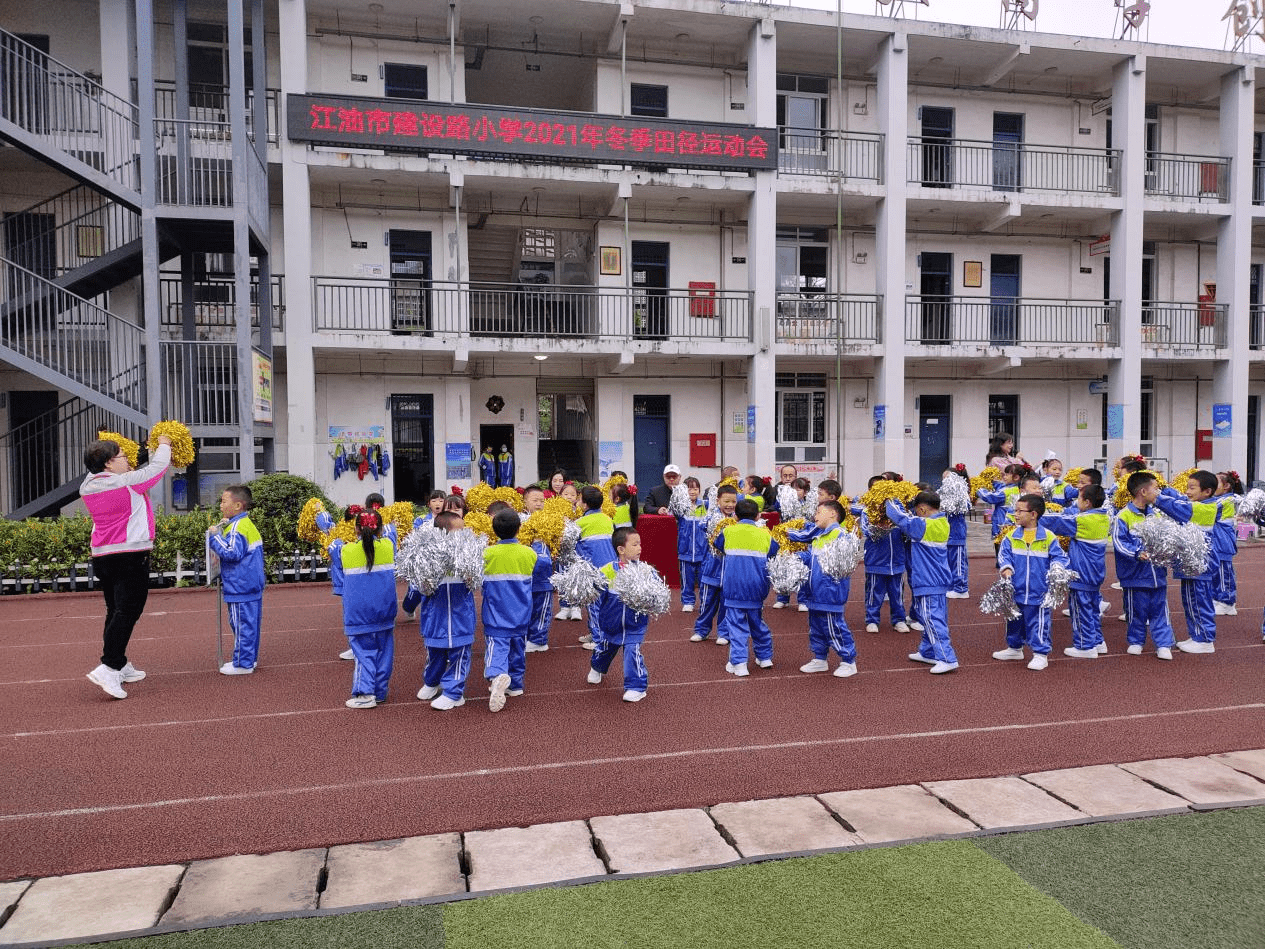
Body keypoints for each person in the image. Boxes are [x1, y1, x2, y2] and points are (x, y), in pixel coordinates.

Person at [80, 434, 174, 699]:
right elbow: (157, 468)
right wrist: (164, 443)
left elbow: (139, 468)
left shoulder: (87, 485)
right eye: (123, 457)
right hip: (130, 555)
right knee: (128, 610)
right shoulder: (128, 484)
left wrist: (145, 450)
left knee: (115, 609)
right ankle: (109, 666)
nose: (129, 462)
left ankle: (119, 663)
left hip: (102, 556)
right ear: (109, 463)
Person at [991, 494, 1070, 671]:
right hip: (1016, 590)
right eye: (1015, 510)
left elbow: (1059, 556)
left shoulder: (1048, 537)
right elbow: (1004, 554)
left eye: (1020, 511)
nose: (1015, 514)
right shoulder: (1011, 536)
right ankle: (1014, 648)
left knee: (1039, 622)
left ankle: (1041, 654)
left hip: (1039, 591)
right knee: (1013, 620)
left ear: (1033, 514)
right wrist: (1006, 567)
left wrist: (1057, 567)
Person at [885, 491, 959, 674]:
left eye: (917, 510)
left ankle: (947, 658)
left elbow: (899, 518)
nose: (916, 513)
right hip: (936, 580)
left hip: (929, 580)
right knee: (929, 617)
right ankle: (928, 651)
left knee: (932, 618)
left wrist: (887, 497)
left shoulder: (924, 524)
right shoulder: (942, 522)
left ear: (923, 509)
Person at [332, 509, 398, 708]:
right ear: (379, 529)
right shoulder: (388, 546)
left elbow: (333, 549)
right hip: (385, 610)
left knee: (364, 652)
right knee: (385, 652)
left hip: (359, 614)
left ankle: (364, 694)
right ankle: (380, 691)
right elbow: (391, 532)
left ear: (356, 529)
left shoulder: (345, 550)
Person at [1154, 470, 1222, 654]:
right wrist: (1163, 488)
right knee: (1191, 600)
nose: (1187, 491)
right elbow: (1180, 500)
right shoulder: (1201, 503)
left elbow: (1178, 507)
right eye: (1187, 487)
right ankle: (1197, 635)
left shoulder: (1204, 508)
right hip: (1193, 565)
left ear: (1207, 491)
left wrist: (1156, 497)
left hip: (1199, 565)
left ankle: (1205, 639)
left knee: (1198, 600)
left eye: (1192, 488)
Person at [1111, 471, 1176, 660]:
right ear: (1143, 491)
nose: (1158, 492)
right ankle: (1136, 641)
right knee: (1136, 610)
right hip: (1134, 575)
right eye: (1155, 488)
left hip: (1157, 574)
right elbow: (1119, 542)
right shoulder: (1123, 516)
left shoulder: (1156, 513)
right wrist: (1137, 553)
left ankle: (1163, 644)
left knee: (1160, 609)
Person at [1040, 483, 1110, 658]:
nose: (1076, 502)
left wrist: (1034, 515)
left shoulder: (1083, 521)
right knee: (1093, 609)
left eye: (1078, 498)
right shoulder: (1103, 518)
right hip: (1095, 573)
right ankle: (1098, 641)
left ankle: (1084, 646)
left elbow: (1057, 523)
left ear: (1086, 502)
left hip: (1081, 574)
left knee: (1080, 609)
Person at [414, 511, 475, 710]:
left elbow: (474, 583)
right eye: (459, 532)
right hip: (435, 616)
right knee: (435, 652)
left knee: (459, 654)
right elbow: (421, 588)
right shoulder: (428, 556)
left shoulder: (468, 554)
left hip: (461, 617)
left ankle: (454, 693)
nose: (463, 535)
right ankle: (432, 682)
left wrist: (469, 569)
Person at [586, 527, 654, 702]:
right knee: (604, 650)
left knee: (633, 651)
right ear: (621, 549)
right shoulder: (608, 570)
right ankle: (597, 667)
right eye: (635, 544)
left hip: (635, 625)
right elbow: (594, 594)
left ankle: (636, 687)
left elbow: (656, 593)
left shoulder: (645, 570)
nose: (640, 548)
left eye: (640, 544)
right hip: (611, 624)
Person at [714, 498, 779, 677]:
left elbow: (717, 545)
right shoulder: (765, 534)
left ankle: (740, 662)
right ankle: (765, 657)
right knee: (757, 622)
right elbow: (774, 550)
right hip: (757, 587)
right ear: (758, 516)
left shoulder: (728, 531)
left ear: (735, 515)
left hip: (733, 587)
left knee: (736, 626)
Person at [481, 508, 537, 712]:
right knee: (517, 650)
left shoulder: (487, 554)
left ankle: (497, 676)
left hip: (496, 616)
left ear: (493, 530)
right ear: (519, 529)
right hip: (521, 614)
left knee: (497, 648)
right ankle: (515, 684)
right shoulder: (529, 553)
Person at [207, 485, 266, 675]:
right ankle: (249, 660)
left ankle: (242, 663)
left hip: (240, 585)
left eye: (224, 501)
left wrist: (214, 537)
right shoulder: (245, 524)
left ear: (238, 505)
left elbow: (232, 553)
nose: (221, 505)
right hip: (250, 584)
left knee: (241, 624)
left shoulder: (237, 528)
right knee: (249, 625)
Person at [797, 501, 858, 678]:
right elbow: (811, 559)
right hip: (814, 592)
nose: (815, 515)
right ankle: (820, 659)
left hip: (830, 593)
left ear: (832, 514)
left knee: (834, 627)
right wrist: (798, 556)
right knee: (815, 627)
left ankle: (848, 661)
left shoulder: (841, 535)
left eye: (819, 511)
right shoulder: (819, 537)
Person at [859, 475, 909, 635]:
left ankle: (899, 619)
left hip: (897, 560)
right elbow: (867, 531)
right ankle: (872, 620)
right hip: (876, 561)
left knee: (897, 593)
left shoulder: (899, 508)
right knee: (874, 592)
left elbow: (907, 529)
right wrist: (881, 523)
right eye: (876, 489)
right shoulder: (867, 511)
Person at [690, 483, 737, 644]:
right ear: (718, 501)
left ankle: (724, 633)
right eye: (726, 501)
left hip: (730, 569)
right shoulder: (711, 517)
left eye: (733, 501)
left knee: (727, 603)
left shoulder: (738, 519)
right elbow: (704, 527)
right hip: (712, 567)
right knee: (707, 602)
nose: (730, 505)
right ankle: (702, 630)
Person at [574, 486, 617, 648]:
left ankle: (599, 640)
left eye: (579, 499)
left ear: (584, 505)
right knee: (602, 604)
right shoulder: (608, 519)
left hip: (592, 570)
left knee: (593, 604)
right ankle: (595, 633)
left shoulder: (580, 523)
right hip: (610, 568)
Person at [1212, 470, 1243, 615]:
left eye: (1215, 482)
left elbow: (1209, 510)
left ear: (1226, 486)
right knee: (1215, 573)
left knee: (1224, 573)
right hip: (1215, 541)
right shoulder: (1218, 499)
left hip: (1223, 541)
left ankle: (1228, 602)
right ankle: (1218, 598)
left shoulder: (1227, 500)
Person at [676, 476, 708, 613]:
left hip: (703, 551)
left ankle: (705, 602)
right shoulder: (681, 507)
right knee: (687, 579)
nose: (693, 491)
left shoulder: (706, 505)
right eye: (689, 488)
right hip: (685, 550)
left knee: (704, 579)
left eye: (695, 488)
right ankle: (688, 601)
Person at [943, 467, 970, 599]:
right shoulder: (943, 495)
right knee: (948, 562)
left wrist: (957, 497)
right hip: (946, 536)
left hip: (957, 535)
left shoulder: (963, 496)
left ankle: (961, 588)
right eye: (944, 479)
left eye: (948, 478)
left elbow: (966, 506)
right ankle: (952, 586)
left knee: (958, 562)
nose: (945, 482)